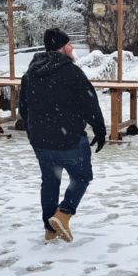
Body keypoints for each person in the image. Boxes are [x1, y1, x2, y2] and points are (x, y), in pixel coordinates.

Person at [18, 27, 106, 242]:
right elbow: (89, 104)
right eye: (68, 44)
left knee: (50, 181)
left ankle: (50, 229)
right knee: (82, 176)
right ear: (61, 48)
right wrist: (100, 130)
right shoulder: (71, 72)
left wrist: (34, 134)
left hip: (41, 141)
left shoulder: (30, 74)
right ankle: (64, 214)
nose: (72, 47)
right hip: (69, 139)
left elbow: (23, 109)